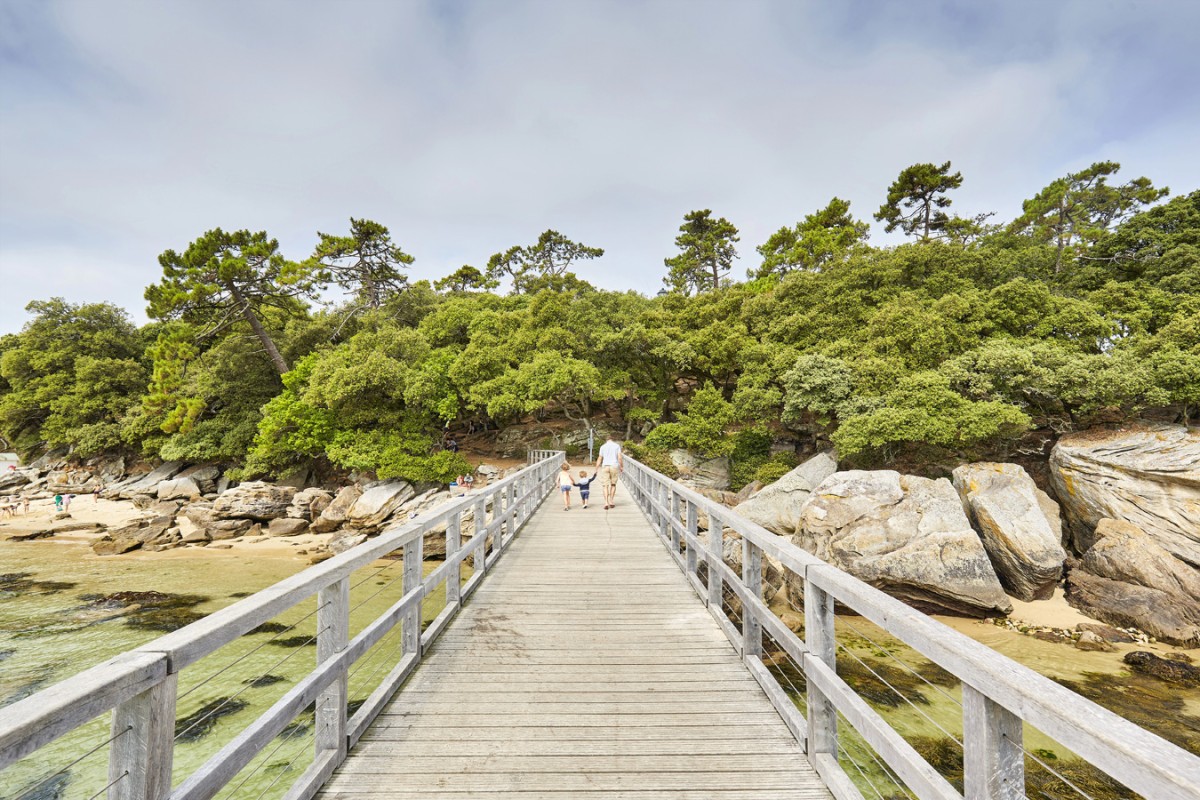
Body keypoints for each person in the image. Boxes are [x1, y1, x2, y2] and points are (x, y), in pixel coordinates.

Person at [595, 434, 623, 509]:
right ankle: (611, 501)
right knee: (613, 484)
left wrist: (596, 468)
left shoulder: (603, 447)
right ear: (612, 439)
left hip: (605, 466)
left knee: (605, 486)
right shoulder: (617, 446)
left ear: (606, 440)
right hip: (614, 466)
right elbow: (619, 457)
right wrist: (621, 466)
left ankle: (606, 502)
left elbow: (600, 458)